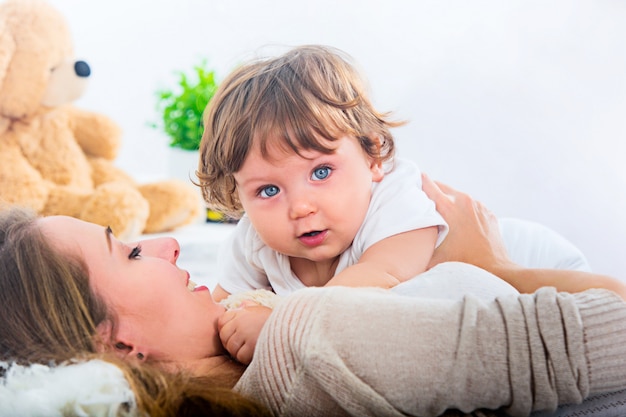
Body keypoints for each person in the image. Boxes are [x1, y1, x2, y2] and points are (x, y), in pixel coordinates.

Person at [2, 182, 626, 416]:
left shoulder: (264, 360)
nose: (167, 244)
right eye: (129, 253)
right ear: (113, 345)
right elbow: (599, 337)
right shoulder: (308, 339)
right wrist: (494, 267)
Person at [197, 44, 448, 304]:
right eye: (269, 190)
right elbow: (219, 314)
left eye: (321, 172)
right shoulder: (254, 243)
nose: (301, 208)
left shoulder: (396, 202)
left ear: (372, 157)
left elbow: (381, 277)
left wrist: (273, 324)